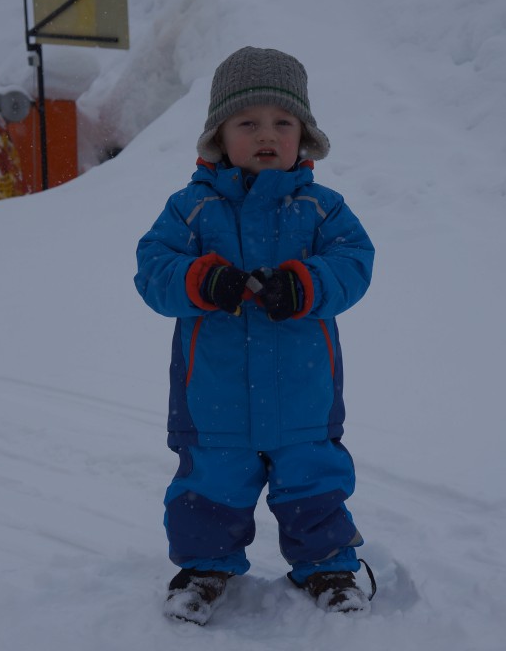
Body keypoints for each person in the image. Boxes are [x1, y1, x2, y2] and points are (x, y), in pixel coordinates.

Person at [134, 46, 375, 625]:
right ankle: (203, 569)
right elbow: (153, 272)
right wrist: (202, 279)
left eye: (282, 122)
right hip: (213, 396)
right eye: (248, 122)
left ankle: (327, 566)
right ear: (219, 134)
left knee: (312, 481)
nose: (267, 134)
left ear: (304, 135)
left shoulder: (322, 209)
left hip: (303, 396)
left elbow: (355, 263)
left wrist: (305, 285)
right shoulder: (191, 209)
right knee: (210, 485)